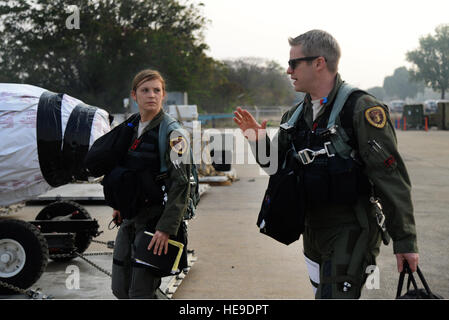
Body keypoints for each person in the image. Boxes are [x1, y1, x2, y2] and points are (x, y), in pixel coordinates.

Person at [233, 30, 419, 299]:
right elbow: (276, 169)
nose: (288, 70)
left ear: (319, 63)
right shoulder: (295, 116)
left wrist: (405, 241)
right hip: (312, 231)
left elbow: (390, 178)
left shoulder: (361, 109)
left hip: (350, 228)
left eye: (294, 63)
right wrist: (256, 139)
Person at [108, 69, 191, 299]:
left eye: (157, 90)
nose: (151, 95)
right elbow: (122, 171)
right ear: (134, 95)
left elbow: (181, 185)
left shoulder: (175, 134)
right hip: (129, 217)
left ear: (163, 95)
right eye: (145, 90)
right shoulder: (130, 128)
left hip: (155, 221)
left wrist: (165, 228)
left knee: (141, 292)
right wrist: (118, 203)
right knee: (120, 289)